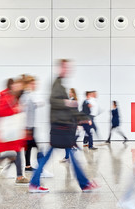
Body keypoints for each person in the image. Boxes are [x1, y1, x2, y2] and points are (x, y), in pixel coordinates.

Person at [29, 59, 98, 193]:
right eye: (66, 68)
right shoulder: (57, 84)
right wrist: (67, 103)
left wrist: (82, 118)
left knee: (67, 154)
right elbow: (53, 101)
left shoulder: (61, 84)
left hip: (62, 126)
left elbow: (69, 108)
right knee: (63, 155)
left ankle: (84, 184)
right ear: (60, 68)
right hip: (60, 126)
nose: (68, 70)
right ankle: (34, 183)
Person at [20, 75, 44, 171]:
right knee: (37, 148)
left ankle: (28, 166)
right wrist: (27, 129)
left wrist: (37, 104)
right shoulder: (26, 96)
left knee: (28, 147)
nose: (35, 85)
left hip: (30, 127)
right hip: (27, 127)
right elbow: (24, 112)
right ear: (28, 84)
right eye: (33, 83)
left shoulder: (29, 95)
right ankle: (41, 168)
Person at [61, 88, 79, 162]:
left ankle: (67, 157)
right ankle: (71, 149)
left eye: (71, 92)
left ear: (74, 93)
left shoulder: (73, 101)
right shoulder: (70, 101)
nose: (69, 93)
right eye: (69, 92)